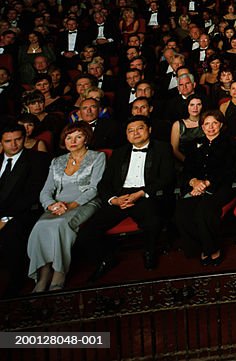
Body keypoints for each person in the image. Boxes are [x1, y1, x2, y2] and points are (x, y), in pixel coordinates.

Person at [83, 116, 176, 280]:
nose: (135, 133)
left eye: (140, 128)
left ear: (149, 130)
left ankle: (149, 252)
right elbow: (104, 183)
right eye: (130, 130)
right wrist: (114, 199)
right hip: (121, 196)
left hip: (145, 194)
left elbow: (167, 177)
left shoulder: (163, 148)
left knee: (153, 220)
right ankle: (106, 258)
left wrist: (141, 193)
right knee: (89, 230)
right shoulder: (119, 152)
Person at [27, 123, 106, 291]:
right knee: (40, 226)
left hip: (85, 202)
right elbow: (46, 190)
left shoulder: (97, 157)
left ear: (86, 138)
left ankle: (59, 272)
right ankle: (44, 273)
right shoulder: (57, 161)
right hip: (58, 205)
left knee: (60, 225)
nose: (73, 141)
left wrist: (71, 205)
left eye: (78, 136)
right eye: (69, 137)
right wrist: (51, 205)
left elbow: (94, 188)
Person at [175, 110, 236, 266]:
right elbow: (187, 169)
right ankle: (200, 246)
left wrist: (207, 183)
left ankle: (212, 248)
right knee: (182, 210)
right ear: (202, 127)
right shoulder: (193, 144)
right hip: (196, 186)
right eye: (207, 124)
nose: (211, 127)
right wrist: (194, 182)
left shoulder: (231, 143)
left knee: (204, 209)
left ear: (221, 125)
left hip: (221, 186)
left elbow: (229, 170)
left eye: (214, 123)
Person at [0, 123, 50, 296]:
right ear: (1, 142)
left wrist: (5, 218)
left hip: (26, 212)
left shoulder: (38, 159)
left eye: (18, 139)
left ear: (24, 138)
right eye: (8, 141)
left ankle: (16, 282)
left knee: (11, 233)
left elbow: (32, 195)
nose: (13, 145)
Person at [170, 95, 205, 161]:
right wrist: (187, 162)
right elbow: (174, 149)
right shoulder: (177, 124)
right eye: (192, 105)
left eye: (198, 105)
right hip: (183, 162)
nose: (195, 108)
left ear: (202, 106)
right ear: (187, 106)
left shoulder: (207, 122)